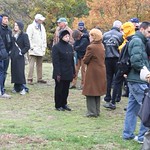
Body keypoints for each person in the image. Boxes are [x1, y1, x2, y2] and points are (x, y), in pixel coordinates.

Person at [123, 21, 150, 144]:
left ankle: (128, 134)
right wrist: (146, 72)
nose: (149, 34)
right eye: (149, 31)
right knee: (147, 108)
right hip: (138, 80)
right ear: (142, 29)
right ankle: (142, 137)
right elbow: (136, 61)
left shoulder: (139, 41)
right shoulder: (138, 42)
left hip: (134, 79)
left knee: (132, 108)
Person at [107, 22, 135, 109]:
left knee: (118, 81)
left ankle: (113, 101)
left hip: (125, 65)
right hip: (124, 64)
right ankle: (115, 101)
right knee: (122, 82)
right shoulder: (128, 39)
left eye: (123, 30)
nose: (121, 32)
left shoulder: (131, 40)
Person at [82, 28, 107, 117]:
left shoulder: (91, 47)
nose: (89, 37)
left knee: (90, 91)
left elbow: (85, 60)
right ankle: (97, 110)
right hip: (101, 70)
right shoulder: (102, 45)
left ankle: (91, 112)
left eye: (90, 35)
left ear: (93, 36)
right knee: (97, 91)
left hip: (93, 71)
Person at [52, 30, 75, 111]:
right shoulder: (56, 47)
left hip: (68, 71)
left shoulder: (70, 47)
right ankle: (58, 105)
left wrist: (73, 71)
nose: (67, 38)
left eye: (68, 36)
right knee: (59, 89)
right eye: (66, 36)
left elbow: (72, 60)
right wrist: (58, 73)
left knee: (66, 89)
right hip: (60, 72)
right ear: (61, 37)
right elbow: (55, 61)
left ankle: (64, 103)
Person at [103, 20, 123, 109]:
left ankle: (107, 96)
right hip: (117, 59)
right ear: (119, 27)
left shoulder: (105, 35)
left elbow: (103, 46)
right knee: (117, 79)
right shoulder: (120, 35)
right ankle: (116, 97)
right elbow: (122, 47)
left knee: (108, 78)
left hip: (107, 58)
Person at [26, 14, 47, 85]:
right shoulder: (31, 27)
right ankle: (30, 78)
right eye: (41, 20)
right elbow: (28, 38)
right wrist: (31, 47)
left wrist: (44, 46)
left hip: (40, 49)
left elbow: (44, 38)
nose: (42, 21)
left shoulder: (42, 27)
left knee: (40, 64)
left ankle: (39, 78)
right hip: (33, 49)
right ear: (37, 20)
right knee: (31, 64)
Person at [10, 21, 30, 95]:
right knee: (14, 71)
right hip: (13, 56)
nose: (15, 27)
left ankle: (23, 87)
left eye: (17, 25)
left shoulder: (24, 35)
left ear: (20, 27)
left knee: (20, 72)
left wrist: (21, 52)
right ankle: (16, 86)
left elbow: (27, 46)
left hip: (20, 56)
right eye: (14, 25)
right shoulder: (13, 35)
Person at [0, 14, 12, 98]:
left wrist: (9, 52)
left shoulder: (9, 30)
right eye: (4, 19)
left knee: (4, 72)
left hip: (6, 53)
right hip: (1, 53)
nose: (6, 20)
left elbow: (10, 42)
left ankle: (2, 86)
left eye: (7, 19)